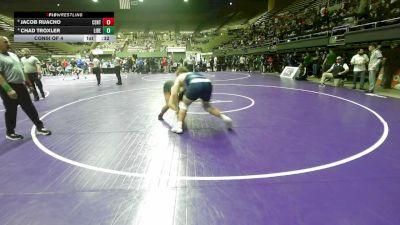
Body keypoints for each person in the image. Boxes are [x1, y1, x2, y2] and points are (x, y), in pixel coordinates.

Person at [0, 36, 51, 140]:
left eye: (8, 41)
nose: (8, 43)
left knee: (30, 107)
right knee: (11, 110)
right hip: (8, 86)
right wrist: (8, 89)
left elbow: (22, 71)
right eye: (5, 42)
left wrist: (29, 84)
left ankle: (40, 127)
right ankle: (10, 132)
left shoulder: (13, 55)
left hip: (20, 85)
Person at [168, 66, 233, 134]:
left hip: (195, 84)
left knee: (184, 105)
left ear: (178, 74)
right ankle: (225, 118)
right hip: (208, 83)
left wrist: (176, 107)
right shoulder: (192, 74)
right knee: (207, 106)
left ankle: (178, 126)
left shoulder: (179, 77)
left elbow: (174, 94)